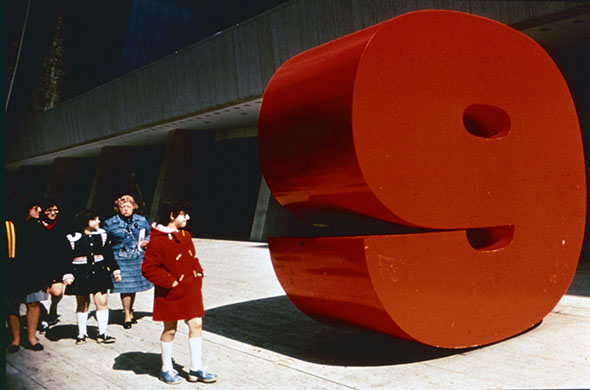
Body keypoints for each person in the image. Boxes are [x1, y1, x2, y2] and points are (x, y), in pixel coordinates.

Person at [142, 199, 217, 385]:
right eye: (183, 214)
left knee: (196, 325)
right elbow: (148, 269)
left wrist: (199, 272)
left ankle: (196, 368)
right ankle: (166, 369)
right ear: (171, 215)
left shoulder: (186, 235)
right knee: (170, 330)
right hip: (170, 292)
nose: (187, 218)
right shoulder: (156, 241)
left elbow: (193, 257)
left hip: (191, 289)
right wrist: (172, 283)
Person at [62, 209, 121, 345]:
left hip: (99, 273)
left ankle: (103, 332)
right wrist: (68, 274)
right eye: (95, 219)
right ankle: (81, 333)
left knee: (102, 302)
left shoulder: (102, 235)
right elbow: (65, 258)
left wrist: (115, 270)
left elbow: (108, 255)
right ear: (86, 222)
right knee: (82, 303)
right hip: (81, 273)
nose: (98, 221)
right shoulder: (72, 238)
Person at [5, 198, 49, 352]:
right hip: (12, 272)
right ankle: (15, 339)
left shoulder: (39, 227)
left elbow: (45, 252)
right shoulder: (9, 226)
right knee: (12, 306)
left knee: (33, 303)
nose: (39, 211)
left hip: (33, 273)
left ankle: (31, 337)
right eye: (35, 208)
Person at [103, 194, 152, 329]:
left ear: (134, 207)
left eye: (128, 206)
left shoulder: (141, 220)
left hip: (137, 258)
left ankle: (129, 311)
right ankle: (127, 316)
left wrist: (146, 241)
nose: (125, 209)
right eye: (122, 206)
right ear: (118, 208)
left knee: (133, 287)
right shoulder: (110, 223)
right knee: (125, 287)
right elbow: (104, 240)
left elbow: (149, 233)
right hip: (120, 258)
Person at [38, 199, 67, 329]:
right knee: (43, 292)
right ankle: (43, 318)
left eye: (55, 210)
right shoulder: (37, 225)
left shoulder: (61, 224)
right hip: (40, 263)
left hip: (57, 263)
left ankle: (53, 308)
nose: (53, 213)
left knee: (57, 292)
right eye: (50, 210)